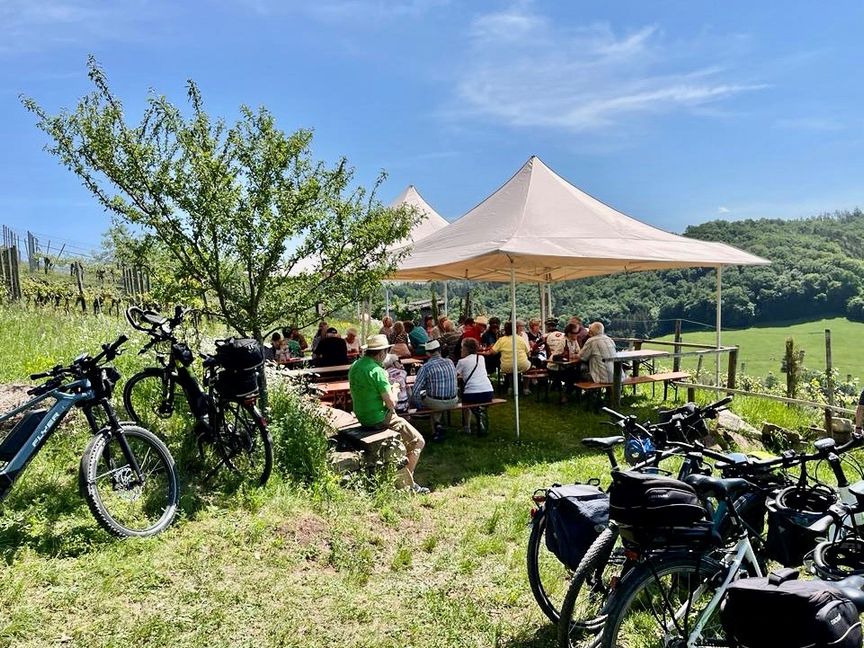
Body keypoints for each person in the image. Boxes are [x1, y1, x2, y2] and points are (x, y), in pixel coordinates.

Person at [348, 334, 428, 493]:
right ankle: (408, 485)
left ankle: (400, 475)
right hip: (378, 417)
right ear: (381, 353)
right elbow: (391, 405)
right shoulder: (377, 371)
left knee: (405, 440)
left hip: (362, 416)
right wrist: (395, 390)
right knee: (418, 441)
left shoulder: (355, 366)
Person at [411, 339, 458, 441]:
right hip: (454, 400)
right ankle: (438, 425)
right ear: (439, 350)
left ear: (427, 353)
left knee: (427, 397)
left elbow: (415, 391)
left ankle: (435, 431)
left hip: (436, 402)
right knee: (433, 397)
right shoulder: (450, 362)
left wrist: (419, 406)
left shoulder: (426, 367)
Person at [456, 337, 494, 435]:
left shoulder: (462, 362)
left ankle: (467, 427)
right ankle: (480, 418)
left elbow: (454, 376)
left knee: (465, 402)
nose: (460, 350)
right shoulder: (481, 358)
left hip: (472, 394)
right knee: (476, 403)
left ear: (465, 349)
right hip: (488, 392)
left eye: (462, 348)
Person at [492, 321, 531, 394]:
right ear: (515, 329)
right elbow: (528, 353)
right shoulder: (520, 338)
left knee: (510, 368)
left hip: (506, 366)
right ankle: (526, 388)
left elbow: (493, 352)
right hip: (521, 364)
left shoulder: (501, 340)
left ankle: (510, 387)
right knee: (527, 367)